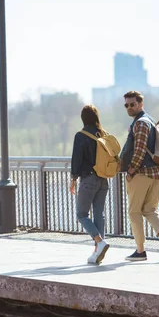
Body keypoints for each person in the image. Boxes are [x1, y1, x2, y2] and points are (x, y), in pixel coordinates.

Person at [119, 90, 159, 262]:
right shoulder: (148, 120)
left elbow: (140, 149)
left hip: (142, 174)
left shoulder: (141, 124)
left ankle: (140, 251)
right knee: (149, 210)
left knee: (134, 212)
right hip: (156, 173)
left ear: (141, 104)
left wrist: (131, 170)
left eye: (132, 104)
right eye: (126, 105)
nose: (129, 107)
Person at [70, 104, 110, 264]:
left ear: (83, 119)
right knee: (99, 214)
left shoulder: (81, 135)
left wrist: (73, 178)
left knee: (82, 214)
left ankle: (100, 242)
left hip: (88, 179)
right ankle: (97, 250)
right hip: (103, 179)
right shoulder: (103, 134)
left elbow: (76, 159)